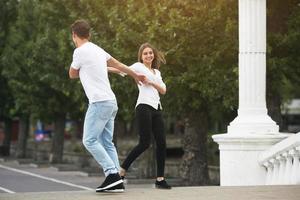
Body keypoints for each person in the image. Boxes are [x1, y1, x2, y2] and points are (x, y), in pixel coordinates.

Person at [68, 19, 145, 193]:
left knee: (89, 140)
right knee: (106, 142)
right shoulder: (98, 50)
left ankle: (112, 174)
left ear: (74, 35)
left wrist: (84, 70)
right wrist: (135, 75)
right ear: (89, 34)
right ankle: (118, 179)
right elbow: (118, 65)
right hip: (111, 102)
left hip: (99, 102)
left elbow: (72, 74)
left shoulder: (79, 52)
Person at [113, 43, 172, 189]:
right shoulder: (138, 67)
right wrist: (102, 68)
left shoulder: (157, 73)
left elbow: (163, 90)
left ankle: (160, 179)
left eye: (150, 53)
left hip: (157, 108)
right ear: (141, 56)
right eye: (145, 53)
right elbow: (121, 69)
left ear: (154, 55)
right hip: (143, 107)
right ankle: (122, 170)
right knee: (145, 143)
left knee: (162, 143)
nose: (148, 55)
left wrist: (151, 82)